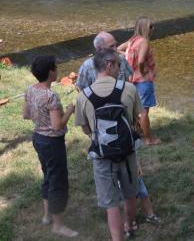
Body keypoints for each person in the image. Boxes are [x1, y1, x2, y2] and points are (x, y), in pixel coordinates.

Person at [75, 48, 142, 241]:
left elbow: (85, 129)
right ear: (110, 65)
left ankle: (117, 238)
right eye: (119, 66)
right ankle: (130, 226)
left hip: (102, 155)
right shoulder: (129, 89)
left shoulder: (83, 96)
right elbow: (135, 119)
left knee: (111, 202)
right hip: (127, 151)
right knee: (130, 193)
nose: (120, 70)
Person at [22, 55, 78, 238]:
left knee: (48, 176)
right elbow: (57, 126)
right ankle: (58, 225)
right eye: (55, 67)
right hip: (52, 143)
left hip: (38, 138)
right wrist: (69, 110)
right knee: (57, 181)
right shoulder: (50, 96)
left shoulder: (30, 90)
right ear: (51, 72)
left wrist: (40, 116)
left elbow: (26, 114)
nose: (57, 69)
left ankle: (47, 216)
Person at [118, 17, 161, 146]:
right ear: (146, 28)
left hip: (132, 80)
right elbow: (141, 60)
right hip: (143, 81)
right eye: (151, 26)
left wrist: (128, 58)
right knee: (144, 111)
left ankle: (138, 131)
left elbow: (117, 49)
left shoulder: (132, 40)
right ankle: (149, 139)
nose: (153, 29)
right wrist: (142, 71)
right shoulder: (144, 41)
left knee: (136, 108)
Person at [123, 158, 162, 232]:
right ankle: (131, 221)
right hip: (124, 176)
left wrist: (138, 166)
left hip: (135, 174)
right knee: (130, 200)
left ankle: (151, 215)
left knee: (144, 194)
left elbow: (134, 153)